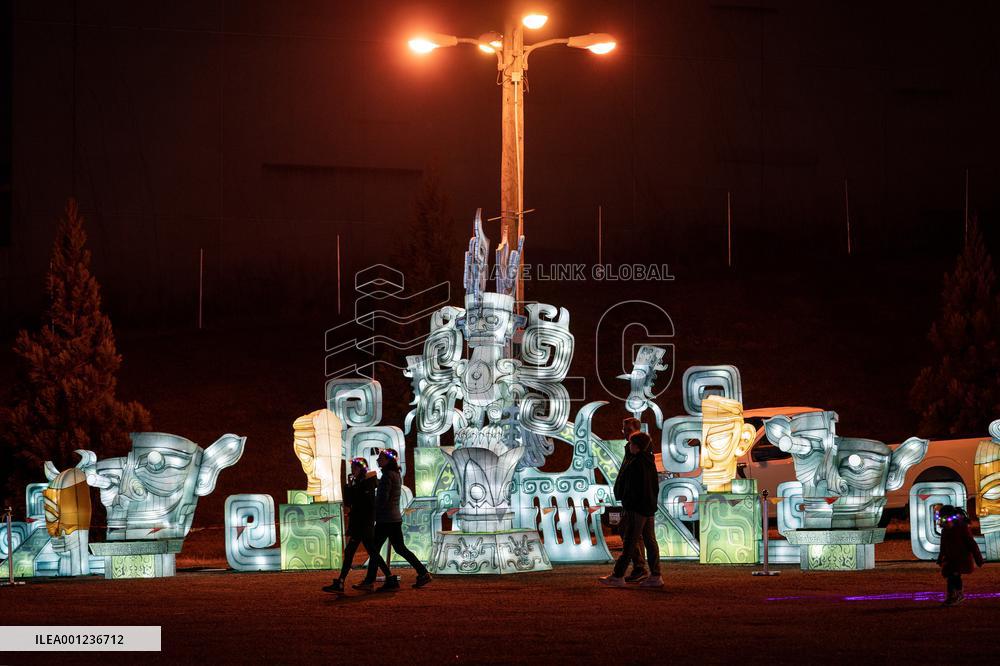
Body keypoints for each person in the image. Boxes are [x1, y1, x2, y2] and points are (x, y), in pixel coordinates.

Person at [354, 449, 432, 591]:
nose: (378, 460)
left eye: (381, 458)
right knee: (400, 548)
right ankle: (423, 572)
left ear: (388, 460)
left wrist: (372, 508)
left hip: (385, 520)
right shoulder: (396, 475)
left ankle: (369, 581)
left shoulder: (387, 476)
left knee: (374, 550)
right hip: (394, 519)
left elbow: (382, 499)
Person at [600, 423, 663, 588]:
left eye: (632, 444)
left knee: (629, 542)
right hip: (648, 507)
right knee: (650, 541)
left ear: (636, 446)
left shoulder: (635, 463)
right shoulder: (649, 461)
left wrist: (628, 502)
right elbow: (653, 486)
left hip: (636, 508)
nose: (630, 445)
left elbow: (631, 487)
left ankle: (618, 575)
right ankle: (656, 575)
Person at [322, 457, 388, 593]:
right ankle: (389, 577)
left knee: (356, 552)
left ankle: (340, 582)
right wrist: (349, 486)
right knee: (370, 552)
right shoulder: (360, 483)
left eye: (355, 468)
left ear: (361, 469)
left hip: (362, 525)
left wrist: (351, 488)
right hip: (362, 524)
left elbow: (361, 504)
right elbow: (349, 502)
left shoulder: (368, 484)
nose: (352, 470)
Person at [617, 417, 650, 583]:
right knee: (641, 536)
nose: (623, 432)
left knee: (629, 533)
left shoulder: (639, 449)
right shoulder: (632, 448)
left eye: (626, 429)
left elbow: (634, 476)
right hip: (635, 500)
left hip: (635, 501)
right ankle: (642, 568)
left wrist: (628, 496)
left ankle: (636, 568)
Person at [937, 505, 984, 606]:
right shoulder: (945, 531)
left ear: (953, 518)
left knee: (954, 576)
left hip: (961, 559)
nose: (943, 521)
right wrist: (940, 558)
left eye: (946, 519)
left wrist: (978, 558)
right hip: (950, 560)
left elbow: (972, 544)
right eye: (941, 519)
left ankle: (958, 595)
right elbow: (943, 546)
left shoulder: (962, 528)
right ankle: (951, 596)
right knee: (950, 576)